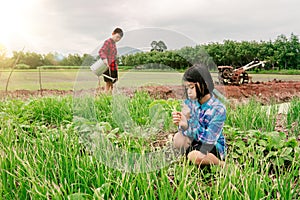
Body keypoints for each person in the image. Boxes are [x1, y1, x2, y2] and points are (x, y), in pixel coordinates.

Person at [172, 64, 226, 167]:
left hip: (212, 145)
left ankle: (220, 164)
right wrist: (182, 123)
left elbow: (209, 139)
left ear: (204, 84)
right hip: (196, 141)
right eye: (187, 88)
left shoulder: (218, 108)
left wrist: (188, 125)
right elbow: (185, 131)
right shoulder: (191, 103)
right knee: (178, 139)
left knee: (194, 156)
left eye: (191, 87)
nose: (188, 91)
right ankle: (191, 156)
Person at [99, 28, 123, 93]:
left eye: (119, 38)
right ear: (113, 34)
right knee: (108, 83)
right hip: (108, 67)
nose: (117, 39)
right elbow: (101, 51)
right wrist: (104, 59)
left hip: (113, 67)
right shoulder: (108, 42)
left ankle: (110, 96)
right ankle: (106, 96)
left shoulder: (114, 44)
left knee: (113, 83)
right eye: (117, 37)